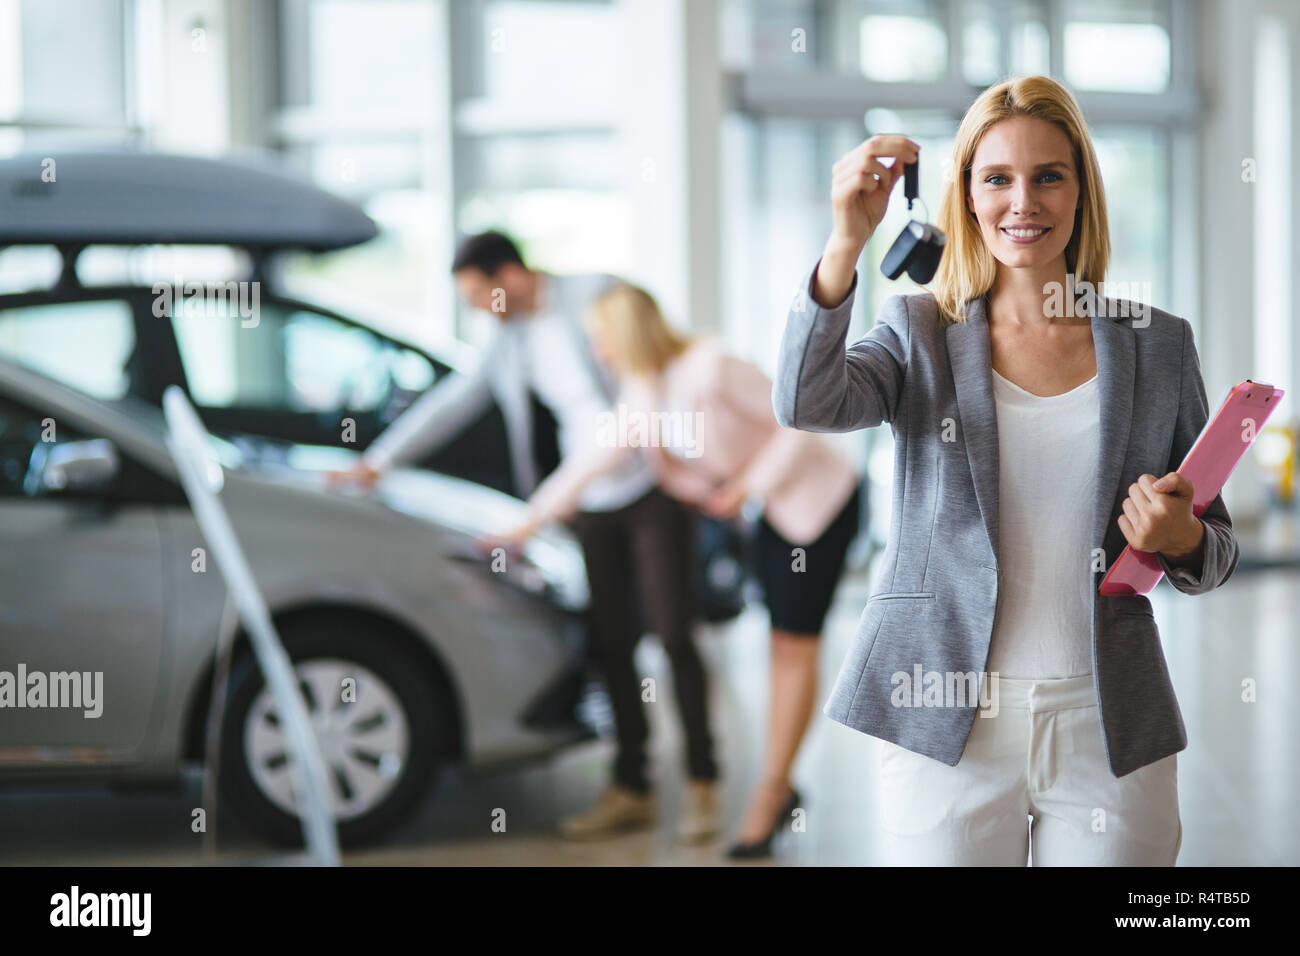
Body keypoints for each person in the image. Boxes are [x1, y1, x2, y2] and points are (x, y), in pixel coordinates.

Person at [773, 75, 1238, 866]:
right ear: (966, 194)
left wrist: (1182, 535)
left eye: (1048, 175)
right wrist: (846, 243)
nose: (1023, 202)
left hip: (1106, 717)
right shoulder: (919, 331)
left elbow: (1214, 554)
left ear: (1082, 189)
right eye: (997, 178)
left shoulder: (1157, 343)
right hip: (943, 715)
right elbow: (806, 401)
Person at [338, 231, 719, 842]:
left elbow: (659, 368)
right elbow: (457, 399)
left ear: (509, 275)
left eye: (477, 294)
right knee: (611, 642)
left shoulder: (597, 296)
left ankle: (704, 784)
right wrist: (379, 462)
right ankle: (632, 787)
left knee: (674, 634)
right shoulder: (508, 337)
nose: (474, 309)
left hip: (654, 485)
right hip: (587, 499)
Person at [496, 281, 863, 860]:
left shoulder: (711, 365)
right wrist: (526, 523)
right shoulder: (645, 391)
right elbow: (597, 458)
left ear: (627, 333)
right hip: (768, 515)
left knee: (794, 643)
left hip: (821, 501)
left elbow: (802, 417)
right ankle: (780, 784)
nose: (598, 354)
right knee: (782, 645)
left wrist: (743, 486)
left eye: (601, 340)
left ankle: (771, 794)